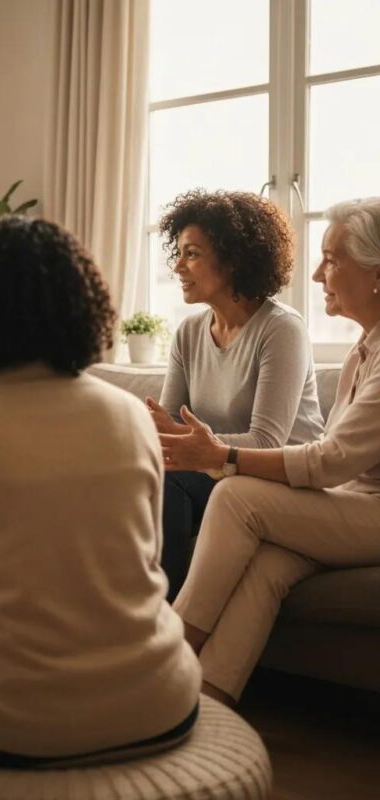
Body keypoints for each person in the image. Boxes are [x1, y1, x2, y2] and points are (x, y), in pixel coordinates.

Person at [0, 216, 201, 767]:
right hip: (160, 698)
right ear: (85, 307)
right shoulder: (132, 418)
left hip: (4, 723)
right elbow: (142, 564)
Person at [159, 197, 380, 707]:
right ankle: (201, 703)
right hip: (350, 501)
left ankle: (162, 659)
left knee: (237, 497)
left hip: (367, 507)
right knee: (269, 566)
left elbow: (329, 458)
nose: (320, 272)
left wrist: (223, 457)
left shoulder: (289, 329)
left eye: (334, 259)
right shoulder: (364, 347)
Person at [146, 190, 323, 600]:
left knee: (167, 485)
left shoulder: (281, 330)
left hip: (280, 479)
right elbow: (171, 428)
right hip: (215, 476)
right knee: (141, 475)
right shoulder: (189, 332)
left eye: (191, 254)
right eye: (179, 252)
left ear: (233, 260)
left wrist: (191, 447)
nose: (178, 266)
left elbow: (267, 441)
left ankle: (158, 629)